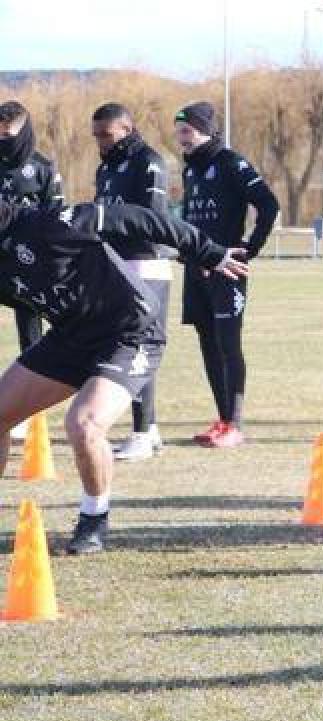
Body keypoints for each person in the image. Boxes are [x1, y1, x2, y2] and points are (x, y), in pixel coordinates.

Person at [0, 199, 247, 554]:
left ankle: (93, 519)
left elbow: (142, 219)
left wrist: (207, 252)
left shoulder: (50, 224)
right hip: (70, 338)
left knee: (83, 425)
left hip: (130, 334)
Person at [175, 102, 280, 449]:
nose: (181, 138)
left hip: (228, 270)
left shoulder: (231, 162)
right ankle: (222, 420)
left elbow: (268, 204)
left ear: (205, 130)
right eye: (179, 132)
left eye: (187, 131)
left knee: (227, 343)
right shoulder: (190, 170)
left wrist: (250, 247)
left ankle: (235, 423)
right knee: (207, 343)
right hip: (197, 270)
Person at [92, 102, 173, 461]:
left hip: (145, 264)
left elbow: (151, 219)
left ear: (126, 128)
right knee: (120, 346)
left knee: (139, 348)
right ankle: (149, 428)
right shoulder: (106, 167)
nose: (101, 142)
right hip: (116, 264)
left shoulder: (149, 162)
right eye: (96, 136)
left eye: (106, 135)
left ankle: (141, 432)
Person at [0, 101, 65, 440]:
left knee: (31, 334)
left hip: (27, 263)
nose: (2, 139)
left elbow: (57, 217)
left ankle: (28, 410)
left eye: (8, 133)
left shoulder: (42, 167)